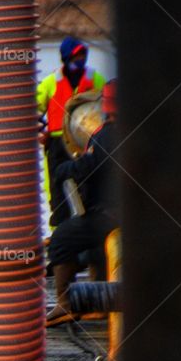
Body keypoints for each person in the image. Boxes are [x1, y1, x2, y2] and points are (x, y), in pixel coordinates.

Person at [46, 80, 119, 324]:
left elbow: (90, 166)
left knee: (61, 240)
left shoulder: (109, 134)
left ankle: (65, 304)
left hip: (111, 214)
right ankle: (99, 303)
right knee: (95, 246)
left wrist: (62, 168)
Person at [37, 37, 106, 227]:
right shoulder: (50, 83)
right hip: (57, 143)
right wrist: (40, 132)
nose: (81, 59)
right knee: (57, 188)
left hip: (86, 142)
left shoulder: (95, 78)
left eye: (83, 55)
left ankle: (85, 231)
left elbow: (106, 104)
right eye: (77, 56)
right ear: (66, 57)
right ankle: (58, 232)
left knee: (86, 186)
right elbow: (32, 110)